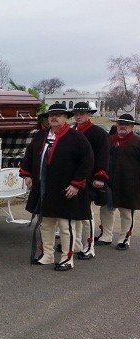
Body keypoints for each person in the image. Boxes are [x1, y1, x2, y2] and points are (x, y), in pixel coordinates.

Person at [19, 103, 94, 271]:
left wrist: (76, 184)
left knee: (66, 226)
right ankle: (48, 255)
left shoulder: (77, 138)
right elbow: (29, 156)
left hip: (66, 189)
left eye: (58, 115)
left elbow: (87, 161)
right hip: (45, 189)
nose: (54, 117)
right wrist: (27, 174)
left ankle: (67, 258)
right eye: (51, 115)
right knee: (47, 223)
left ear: (66, 117)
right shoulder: (41, 136)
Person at [95, 114, 140, 250]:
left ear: (132, 127)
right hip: (109, 181)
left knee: (126, 212)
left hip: (129, 183)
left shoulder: (137, 142)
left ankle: (124, 238)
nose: (123, 126)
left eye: (126, 124)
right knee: (106, 209)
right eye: (121, 123)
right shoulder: (109, 140)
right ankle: (106, 235)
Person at [71, 102, 109, 260]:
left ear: (88, 114)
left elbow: (103, 155)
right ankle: (76, 244)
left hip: (89, 178)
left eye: (82, 113)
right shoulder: (71, 131)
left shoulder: (98, 133)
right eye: (76, 113)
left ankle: (89, 247)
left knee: (86, 215)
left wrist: (100, 176)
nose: (79, 116)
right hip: (72, 178)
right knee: (73, 214)